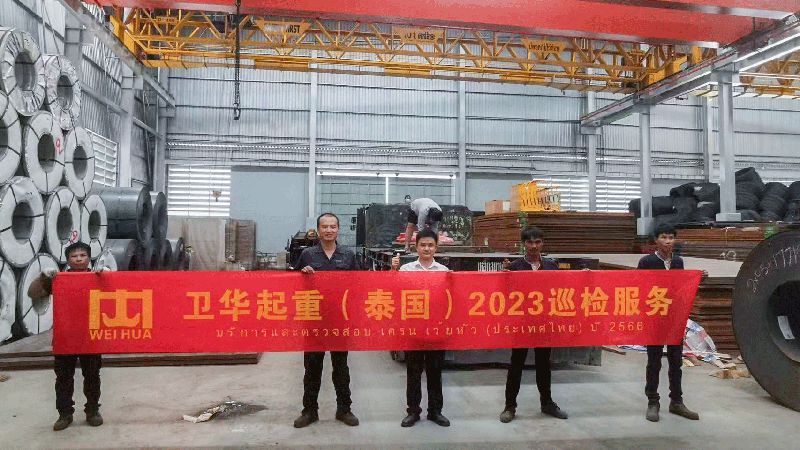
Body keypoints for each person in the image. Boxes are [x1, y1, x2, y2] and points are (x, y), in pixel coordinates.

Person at [28, 242, 108, 431]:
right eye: (74, 256)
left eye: (82, 255)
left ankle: (92, 411)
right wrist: (43, 278)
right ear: (68, 259)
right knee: (63, 378)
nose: (78, 259)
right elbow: (33, 293)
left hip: (90, 336)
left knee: (92, 376)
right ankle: (64, 414)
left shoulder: (98, 277)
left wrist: (108, 277)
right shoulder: (58, 279)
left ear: (89, 257)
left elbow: (120, 292)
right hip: (65, 336)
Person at [293, 213, 361, 428]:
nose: (329, 230)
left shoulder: (348, 255)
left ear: (338, 229)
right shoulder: (307, 255)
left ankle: (344, 409)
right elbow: (292, 284)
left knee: (341, 368)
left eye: (332, 226)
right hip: (314, 319)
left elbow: (359, 284)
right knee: (312, 368)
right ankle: (309, 411)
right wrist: (303, 275)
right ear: (318, 230)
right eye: (325, 226)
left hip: (339, 320)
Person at [499, 226, 568, 423]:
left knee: (544, 365)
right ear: (524, 244)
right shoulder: (514, 267)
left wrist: (585, 277)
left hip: (543, 323)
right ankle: (509, 406)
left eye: (537, 242)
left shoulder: (551, 266)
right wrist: (503, 276)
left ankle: (547, 403)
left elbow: (562, 290)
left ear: (542, 243)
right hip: (521, 324)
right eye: (530, 242)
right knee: (516, 364)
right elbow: (504, 294)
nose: (534, 246)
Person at [637, 224, 700, 422]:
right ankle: (653, 401)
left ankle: (676, 401)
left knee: (676, 362)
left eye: (671, 237)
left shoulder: (678, 262)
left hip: (674, 319)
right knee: (654, 362)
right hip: (655, 318)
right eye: (663, 237)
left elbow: (681, 287)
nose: (667, 241)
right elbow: (637, 286)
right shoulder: (647, 262)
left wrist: (697, 278)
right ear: (656, 240)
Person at [391, 228, 450, 428]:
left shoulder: (444, 271)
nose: (427, 248)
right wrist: (393, 271)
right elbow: (394, 292)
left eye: (430, 245)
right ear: (416, 247)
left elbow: (450, 299)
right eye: (423, 245)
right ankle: (413, 411)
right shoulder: (406, 270)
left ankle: (435, 411)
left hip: (435, 329)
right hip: (413, 328)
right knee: (413, 373)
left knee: (435, 373)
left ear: (436, 247)